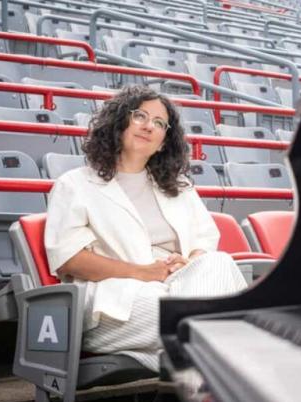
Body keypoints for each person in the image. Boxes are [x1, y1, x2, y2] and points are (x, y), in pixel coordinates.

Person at [44, 85, 247, 372]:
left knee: (218, 262)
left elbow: (204, 241)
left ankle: (191, 379)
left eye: (159, 123)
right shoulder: (74, 184)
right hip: (117, 303)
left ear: (164, 141)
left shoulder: (180, 187)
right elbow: (70, 259)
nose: (148, 126)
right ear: (118, 124)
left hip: (178, 287)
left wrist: (187, 262)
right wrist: (142, 272)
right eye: (140, 116)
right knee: (218, 324)